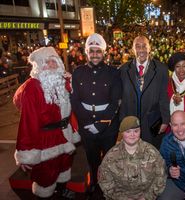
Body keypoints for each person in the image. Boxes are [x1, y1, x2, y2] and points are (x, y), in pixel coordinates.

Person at [13, 47, 80, 199]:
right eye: (46, 62)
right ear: (38, 66)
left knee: (64, 168)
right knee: (46, 176)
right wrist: (25, 151)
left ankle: (61, 190)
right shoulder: (32, 88)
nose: (51, 65)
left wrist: (71, 82)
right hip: (45, 140)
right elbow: (27, 122)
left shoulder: (61, 81)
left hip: (65, 135)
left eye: (54, 61)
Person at [70, 33, 122, 196]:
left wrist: (100, 124)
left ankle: (108, 183)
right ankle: (94, 181)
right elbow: (75, 100)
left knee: (108, 158)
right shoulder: (78, 72)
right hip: (86, 125)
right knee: (92, 158)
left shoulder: (113, 73)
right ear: (86, 52)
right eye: (91, 51)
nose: (94, 54)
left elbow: (115, 102)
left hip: (108, 126)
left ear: (104, 53)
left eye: (98, 51)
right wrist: (86, 123)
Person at [98, 116, 167, 200]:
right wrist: (122, 198)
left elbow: (161, 176)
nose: (132, 135)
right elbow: (105, 182)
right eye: (128, 131)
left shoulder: (152, 152)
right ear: (122, 133)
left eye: (136, 131)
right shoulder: (111, 156)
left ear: (140, 131)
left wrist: (146, 197)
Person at [119, 35, 170, 149]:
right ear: (133, 49)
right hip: (131, 121)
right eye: (138, 46)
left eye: (144, 46)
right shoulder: (123, 70)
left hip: (153, 121)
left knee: (152, 152)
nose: (141, 50)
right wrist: (122, 120)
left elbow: (164, 96)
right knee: (133, 152)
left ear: (149, 48)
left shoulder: (161, 69)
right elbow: (121, 98)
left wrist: (165, 120)